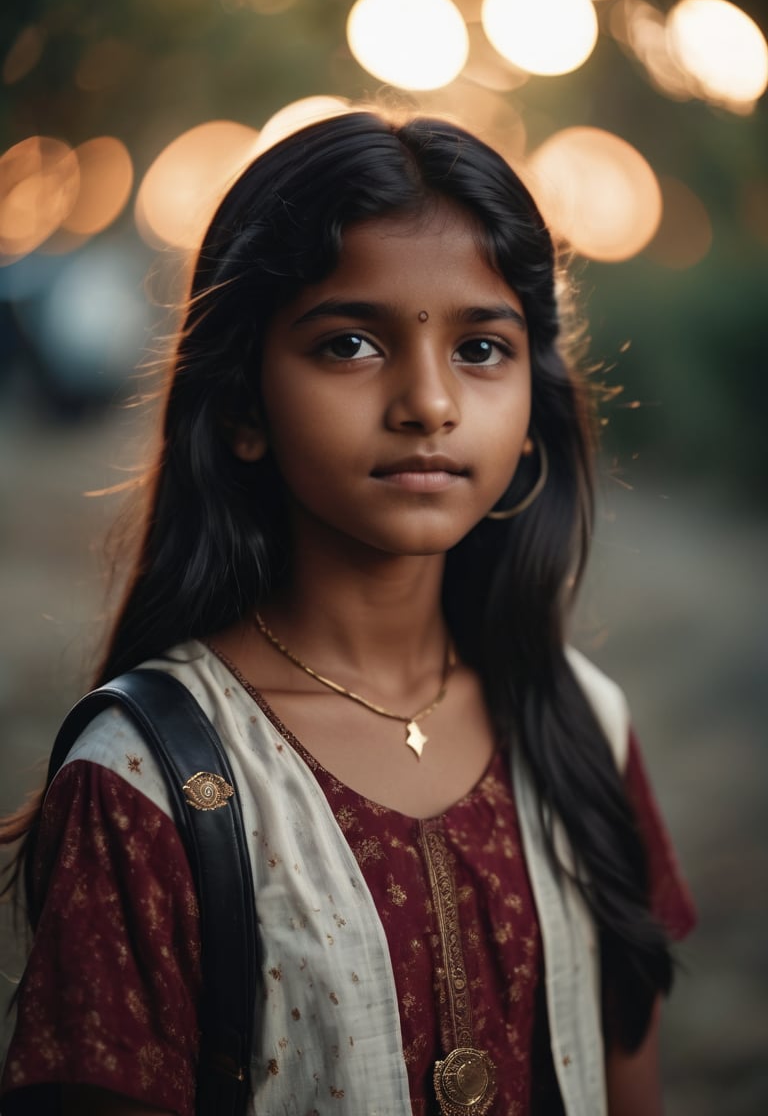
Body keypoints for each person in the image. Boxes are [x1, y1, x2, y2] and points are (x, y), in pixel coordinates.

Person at [0, 110, 694, 1116]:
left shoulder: (585, 724)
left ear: (533, 401)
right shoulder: (145, 783)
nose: (428, 403)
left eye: (482, 348)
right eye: (353, 343)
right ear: (242, 406)